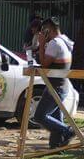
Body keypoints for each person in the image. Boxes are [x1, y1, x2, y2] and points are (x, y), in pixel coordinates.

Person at [33, 18, 77, 149]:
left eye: (43, 31)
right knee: (57, 119)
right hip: (62, 85)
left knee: (39, 116)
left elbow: (44, 64)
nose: (41, 34)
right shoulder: (65, 41)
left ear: (48, 30)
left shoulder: (54, 43)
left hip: (55, 87)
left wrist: (41, 44)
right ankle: (56, 147)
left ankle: (68, 131)